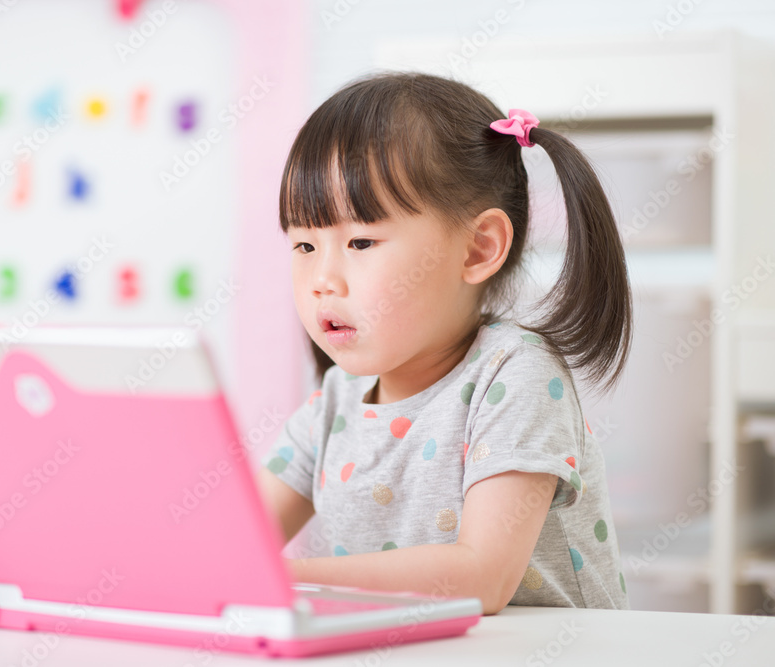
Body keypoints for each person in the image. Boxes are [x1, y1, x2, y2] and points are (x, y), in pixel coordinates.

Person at [257, 72, 632, 614]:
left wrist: (288, 577)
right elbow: (233, 540)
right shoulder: (336, 401)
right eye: (304, 244)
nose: (322, 279)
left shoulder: (517, 375)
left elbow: (483, 575)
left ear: (478, 248)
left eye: (361, 240)